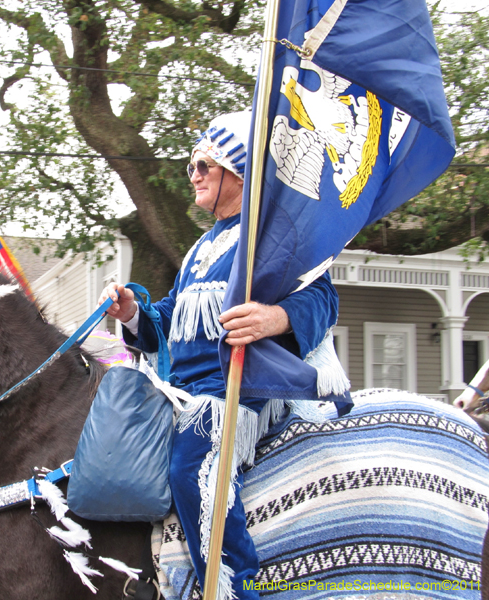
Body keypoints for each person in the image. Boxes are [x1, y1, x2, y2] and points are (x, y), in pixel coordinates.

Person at [100, 111, 342, 598]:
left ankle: (237, 589)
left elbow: (323, 299)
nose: (192, 175)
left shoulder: (272, 236)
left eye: (202, 165)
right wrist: (130, 312)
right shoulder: (198, 250)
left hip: (237, 392)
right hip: (181, 391)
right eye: (192, 166)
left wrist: (276, 318)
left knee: (191, 465)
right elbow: (166, 318)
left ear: (238, 169)